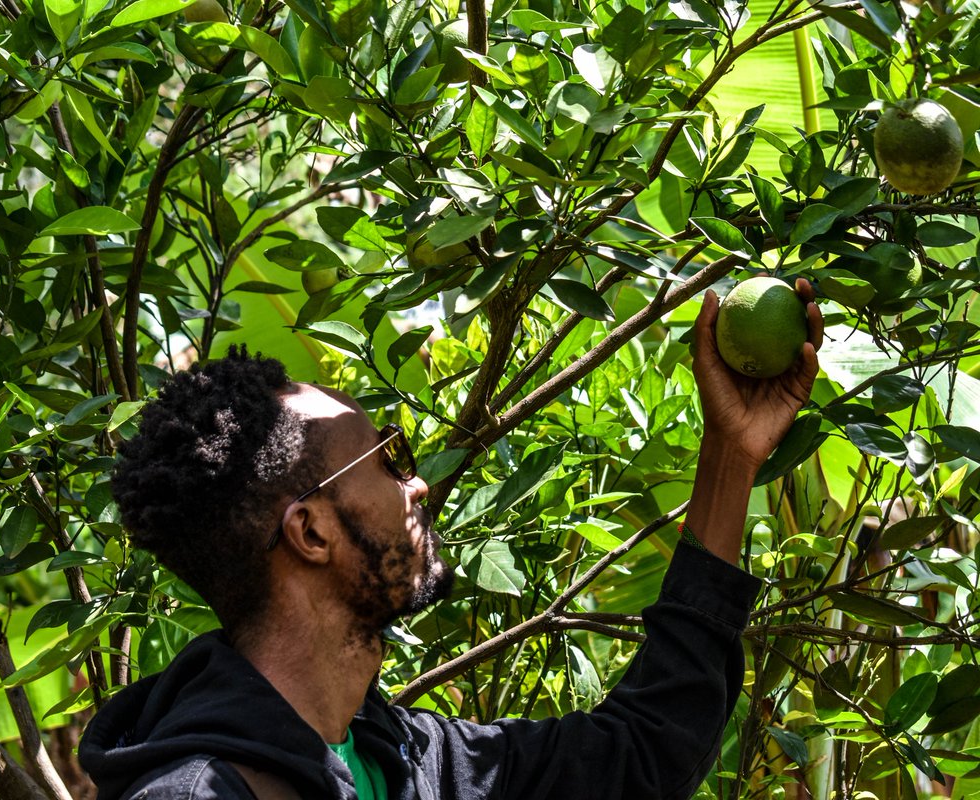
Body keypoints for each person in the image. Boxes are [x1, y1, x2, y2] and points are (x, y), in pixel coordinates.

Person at [79, 282, 824, 799]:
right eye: (389, 459)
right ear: (311, 532)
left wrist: (731, 455)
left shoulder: (405, 758)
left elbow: (643, 755)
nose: (418, 484)